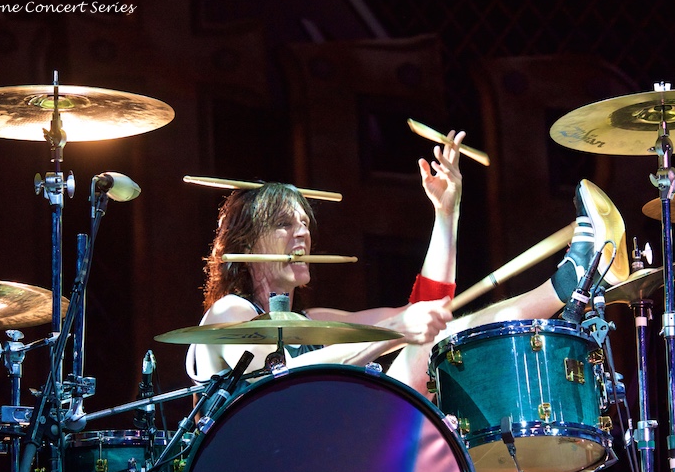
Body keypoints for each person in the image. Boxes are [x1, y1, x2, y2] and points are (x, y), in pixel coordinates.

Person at [185, 131, 626, 398]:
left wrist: (446, 213)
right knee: (422, 340)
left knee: (436, 334)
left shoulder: (313, 322)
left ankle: (573, 284)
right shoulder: (230, 313)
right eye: (284, 224)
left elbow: (430, 311)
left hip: (318, 468)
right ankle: (570, 285)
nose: (303, 234)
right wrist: (400, 331)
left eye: (305, 223)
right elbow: (278, 382)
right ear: (246, 243)